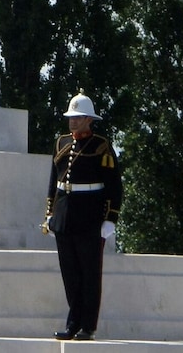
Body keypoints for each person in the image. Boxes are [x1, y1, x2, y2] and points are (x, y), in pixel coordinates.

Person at [43, 90, 123, 341]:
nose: (73, 121)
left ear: (89, 119)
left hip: (89, 214)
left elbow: (113, 184)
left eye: (78, 117)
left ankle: (88, 325)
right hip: (65, 214)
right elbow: (53, 181)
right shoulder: (61, 142)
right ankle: (73, 322)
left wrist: (110, 218)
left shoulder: (101, 146)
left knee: (89, 273)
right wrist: (49, 213)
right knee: (70, 273)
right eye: (71, 117)